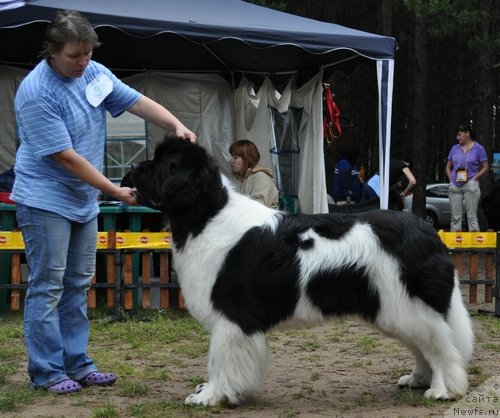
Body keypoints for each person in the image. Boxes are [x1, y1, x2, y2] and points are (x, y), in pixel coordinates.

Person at [11, 10, 196, 394]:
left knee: (77, 284)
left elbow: (137, 101)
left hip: (82, 201)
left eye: (87, 54)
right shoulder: (35, 92)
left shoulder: (95, 73)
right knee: (48, 286)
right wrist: (113, 190)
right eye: (74, 56)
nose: (83, 62)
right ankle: (47, 372)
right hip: (46, 199)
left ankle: (77, 365)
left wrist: (175, 124)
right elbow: (65, 156)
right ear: (52, 52)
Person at [445, 124, 489, 232]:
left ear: (467, 134)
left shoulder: (479, 148)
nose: (457, 137)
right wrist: (451, 180)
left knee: (471, 217)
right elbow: (448, 166)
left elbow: (486, 167)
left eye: (460, 135)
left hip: (470, 184)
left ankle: (474, 246)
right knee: (455, 218)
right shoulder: (454, 148)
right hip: (455, 185)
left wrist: (474, 178)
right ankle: (454, 247)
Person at [229, 139, 279, 209]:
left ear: (247, 159)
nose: (231, 161)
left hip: (264, 219)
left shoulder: (261, 177)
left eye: (235, 158)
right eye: (231, 157)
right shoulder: (238, 178)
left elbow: (256, 208)